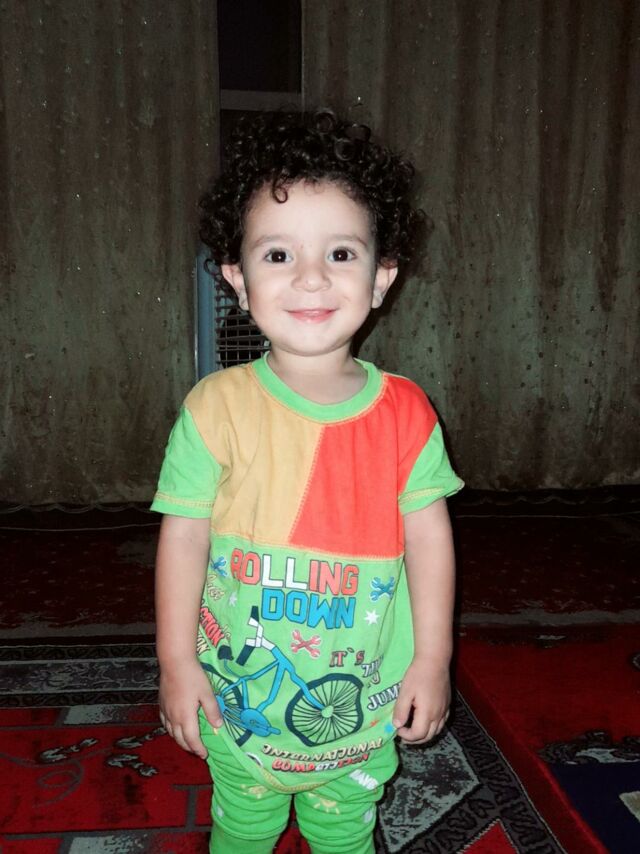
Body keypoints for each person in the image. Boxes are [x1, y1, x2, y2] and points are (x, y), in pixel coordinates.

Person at [151, 110, 463, 854]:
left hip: (362, 712)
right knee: (241, 830)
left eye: (342, 252)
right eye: (279, 253)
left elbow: (430, 542)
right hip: (238, 708)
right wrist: (175, 663)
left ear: (381, 277)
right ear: (237, 278)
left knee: (345, 835)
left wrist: (433, 659)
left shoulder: (408, 413)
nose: (312, 277)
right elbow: (183, 540)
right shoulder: (214, 409)